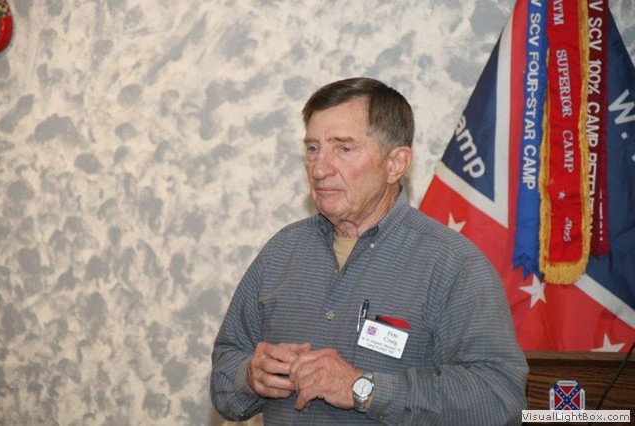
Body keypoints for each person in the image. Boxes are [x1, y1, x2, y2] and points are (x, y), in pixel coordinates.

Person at [210, 77, 528, 425]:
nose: (319, 168)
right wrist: (250, 375)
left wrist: (364, 388)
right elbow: (224, 384)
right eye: (313, 148)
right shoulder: (280, 252)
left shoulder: (453, 265)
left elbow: (500, 400)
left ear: (396, 163)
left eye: (343, 148)